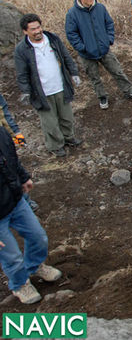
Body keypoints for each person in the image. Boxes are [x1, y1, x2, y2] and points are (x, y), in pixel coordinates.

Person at [0, 127, 62, 304]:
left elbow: (11, 159)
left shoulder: (1, 132)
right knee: (11, 256)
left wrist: (23, 177)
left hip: (15, 200)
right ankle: (19, 284)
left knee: (38, 237)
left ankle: (34, 266)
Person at [65, 0, 132, 110]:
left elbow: (109, 24)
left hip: (104, 49)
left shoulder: (100, 8)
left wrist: (109, 40)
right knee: (95, 77)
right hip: (87, 54)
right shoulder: (72, 14)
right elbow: (71, 34)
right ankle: (102, 96)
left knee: (117, 71)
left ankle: (129, 90)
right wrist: (82, 47)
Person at [14, 14, 83, 158]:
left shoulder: (53, 39)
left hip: (61, 86)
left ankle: (69, 137)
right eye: (33, 29)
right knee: (49, 122)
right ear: (25, 31)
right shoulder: (21, 50)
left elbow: (66, 57)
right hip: (41, 92)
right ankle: (56, 145)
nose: (37, 31)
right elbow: (22, 74)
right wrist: (26, 92)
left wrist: (74, 73)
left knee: (67, 117)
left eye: (38, 27)